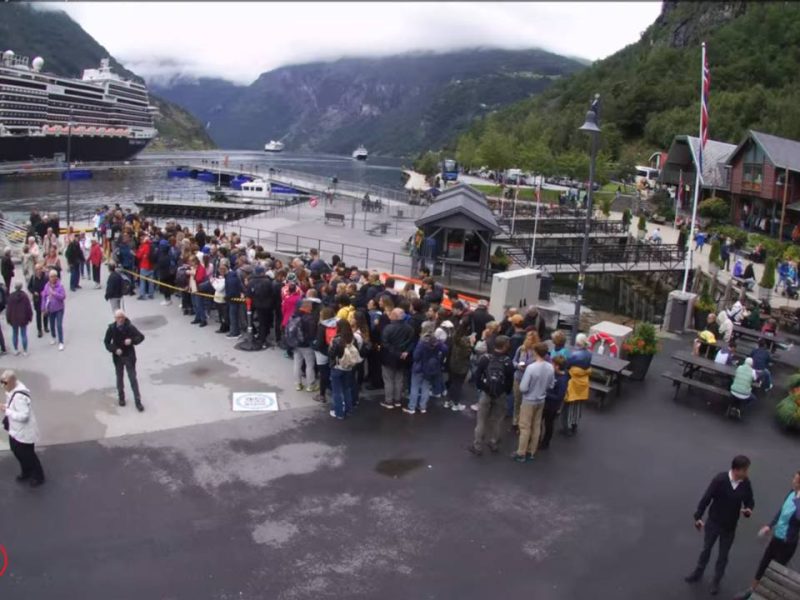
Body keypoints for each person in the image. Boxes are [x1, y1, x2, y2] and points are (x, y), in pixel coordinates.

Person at [685, 455, 755, 596]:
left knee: (723, 556)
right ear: (736, 470)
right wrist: (698, 516)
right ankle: (698, 573)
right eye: (745, 470)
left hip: (729, 527)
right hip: (714, 523)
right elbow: (707, 498)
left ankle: (716, 581)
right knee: (706, 549)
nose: (747, 473)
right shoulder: (720, 480)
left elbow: (750, 501)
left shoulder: (745, 483)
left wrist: (748, 510)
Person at [734, 471, 800, 600]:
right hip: (777, 537)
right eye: (794, 478)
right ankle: (751, 591)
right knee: (763, 564)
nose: (793, 481)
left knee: (775, 572)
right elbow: (781, 510)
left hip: (787, 543)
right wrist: (769, 526)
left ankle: (765, 595)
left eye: (796, 480)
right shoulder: (791, 492)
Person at [467, 335, 514, 456]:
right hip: (500, 394)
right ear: (504, 347)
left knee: (481, 420)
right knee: (497, 420)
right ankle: (493, 442)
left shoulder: (485, 358)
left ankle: (477, 446)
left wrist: (482, 388)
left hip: (486, 392)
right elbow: (510, 380)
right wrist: (506, 391)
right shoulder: (508, 362)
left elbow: (478, 376)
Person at [1, 370, 44, 487]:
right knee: (16, 451)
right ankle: (27, 471)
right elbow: (13, 408)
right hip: (15, 430)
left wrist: (6, 410)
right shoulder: (11, 390)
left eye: (4, 382)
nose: (2, 385)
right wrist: (6, 407)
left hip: (24, 433)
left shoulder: (19, 397)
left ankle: (38, 476)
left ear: (11, 382)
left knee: (29, 455)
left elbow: (23, 416)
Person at [513, 342, 554, 463]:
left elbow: (523, 388)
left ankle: (521, 453)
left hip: (529, 400)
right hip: (541, 400)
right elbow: (551, 385)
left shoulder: (531, 368)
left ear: (535, 352)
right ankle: (531, 451)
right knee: (536, 426)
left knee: (525, 427)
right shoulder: (550, 367)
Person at [104, 309, 145, 411]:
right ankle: (121, 397)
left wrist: (131, 341)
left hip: (129, 356)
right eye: (118, 317)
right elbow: (106, 342)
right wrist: (114, 349)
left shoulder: (129, 327)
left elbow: (141, 337)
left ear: (124, 317)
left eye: (122, 317)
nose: (120, 319)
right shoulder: (111, 328)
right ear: (115, 319)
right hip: (118, 357)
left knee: (132, 378)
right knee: (119, 377)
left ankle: (138, 400)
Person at [406, 321, 446, 415]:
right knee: (426, 387)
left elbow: (416, 356)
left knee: (415, 387)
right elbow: (445, 349)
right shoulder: (435, 341)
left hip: (419, 368)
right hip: (430, 368)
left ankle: (412, 407)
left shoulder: (422, 342)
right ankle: (423, 407)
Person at [380, 308, 415, 410]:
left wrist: (396, 353)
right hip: (403, 358)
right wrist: (406, 352)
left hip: (389, 358)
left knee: (389, 380)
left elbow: (385, 343)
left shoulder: (388, 328)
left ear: (394, 316)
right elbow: (412, 342)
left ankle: (389, 401)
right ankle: (397, 400)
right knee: (399, 379)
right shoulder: (409, 328)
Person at [328, 319, 361, 419]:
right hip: (349, 367)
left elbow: (331, 354)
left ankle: (339, 413)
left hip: (337, 367)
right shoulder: (352, 338)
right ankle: (349, 409)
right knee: (347, 389)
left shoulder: (336, 339)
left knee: (337, 391)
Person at [563, 333, 592, 434]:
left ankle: (569, 427)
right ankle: (575, 424)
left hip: (574, 382)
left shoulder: (574, 355)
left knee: (571, 404)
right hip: (583, 381)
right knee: (578, 404)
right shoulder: (589, 354)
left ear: (577, 342)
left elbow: (567, 365)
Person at [511, 331, 539, 431]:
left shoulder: (536, 352)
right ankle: (515, 422)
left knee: (525, 403)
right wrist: (517, 365)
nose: (528, 340)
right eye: (527, 338)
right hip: (518, 377)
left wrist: (529, 368)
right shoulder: (521, 349)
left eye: (530, 339)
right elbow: (514, 360)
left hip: (529, 381)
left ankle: (522, 423)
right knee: (517, 401)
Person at [541, 355, 568, 451]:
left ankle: (545, 443)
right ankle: (539, 439)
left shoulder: (562, 380)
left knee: (548, 424)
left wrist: (546, 394)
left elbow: (559, 396)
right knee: (540, 421)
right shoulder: (554, 374)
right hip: (546, 403)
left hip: (552, 407)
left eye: (553, 364)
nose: (551, 365)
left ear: (557, 366)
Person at [41, 269, 66, 350]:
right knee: (51, 324)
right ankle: (53, 337)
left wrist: (54, 294)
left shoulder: (60, 286)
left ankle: (61, 342)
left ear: (56, 277)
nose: (52, 278)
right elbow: (44, 296)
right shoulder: (47, 286)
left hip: (59, 308)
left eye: (53, 276)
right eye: (51, 277)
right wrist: (43, 307)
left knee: (58, 325)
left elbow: (63, 296)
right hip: (50, 309)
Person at [6, 282, 32, 356]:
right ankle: (25, 351)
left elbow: (9, 309)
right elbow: (28, 308)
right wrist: (30, 317)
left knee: (15, 334)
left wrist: (8, 318)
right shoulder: (25, 296)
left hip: (14, 318)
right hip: (23, 318)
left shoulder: (11, 296)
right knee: (23, 334)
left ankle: (15, 350)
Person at [135, 234, 155, 300]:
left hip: (144, 265)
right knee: (151, 281)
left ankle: (142, 295)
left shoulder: (144, 246)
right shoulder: (152, 246)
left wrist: (135, 253)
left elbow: (139, 256)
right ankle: (151, 294)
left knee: (142, 281)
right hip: (151, 266)